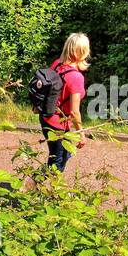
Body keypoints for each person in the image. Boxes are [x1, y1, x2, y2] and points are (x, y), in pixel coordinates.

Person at [41, 33, 90, 173]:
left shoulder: (56, 64)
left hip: (46, 118)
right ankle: (36, 186)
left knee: (64, 153)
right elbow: (74, 112)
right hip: (58, 124)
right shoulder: (76, 77)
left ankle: (39, 184)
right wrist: (81, 133)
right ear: (83, 52)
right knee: (57, 162)